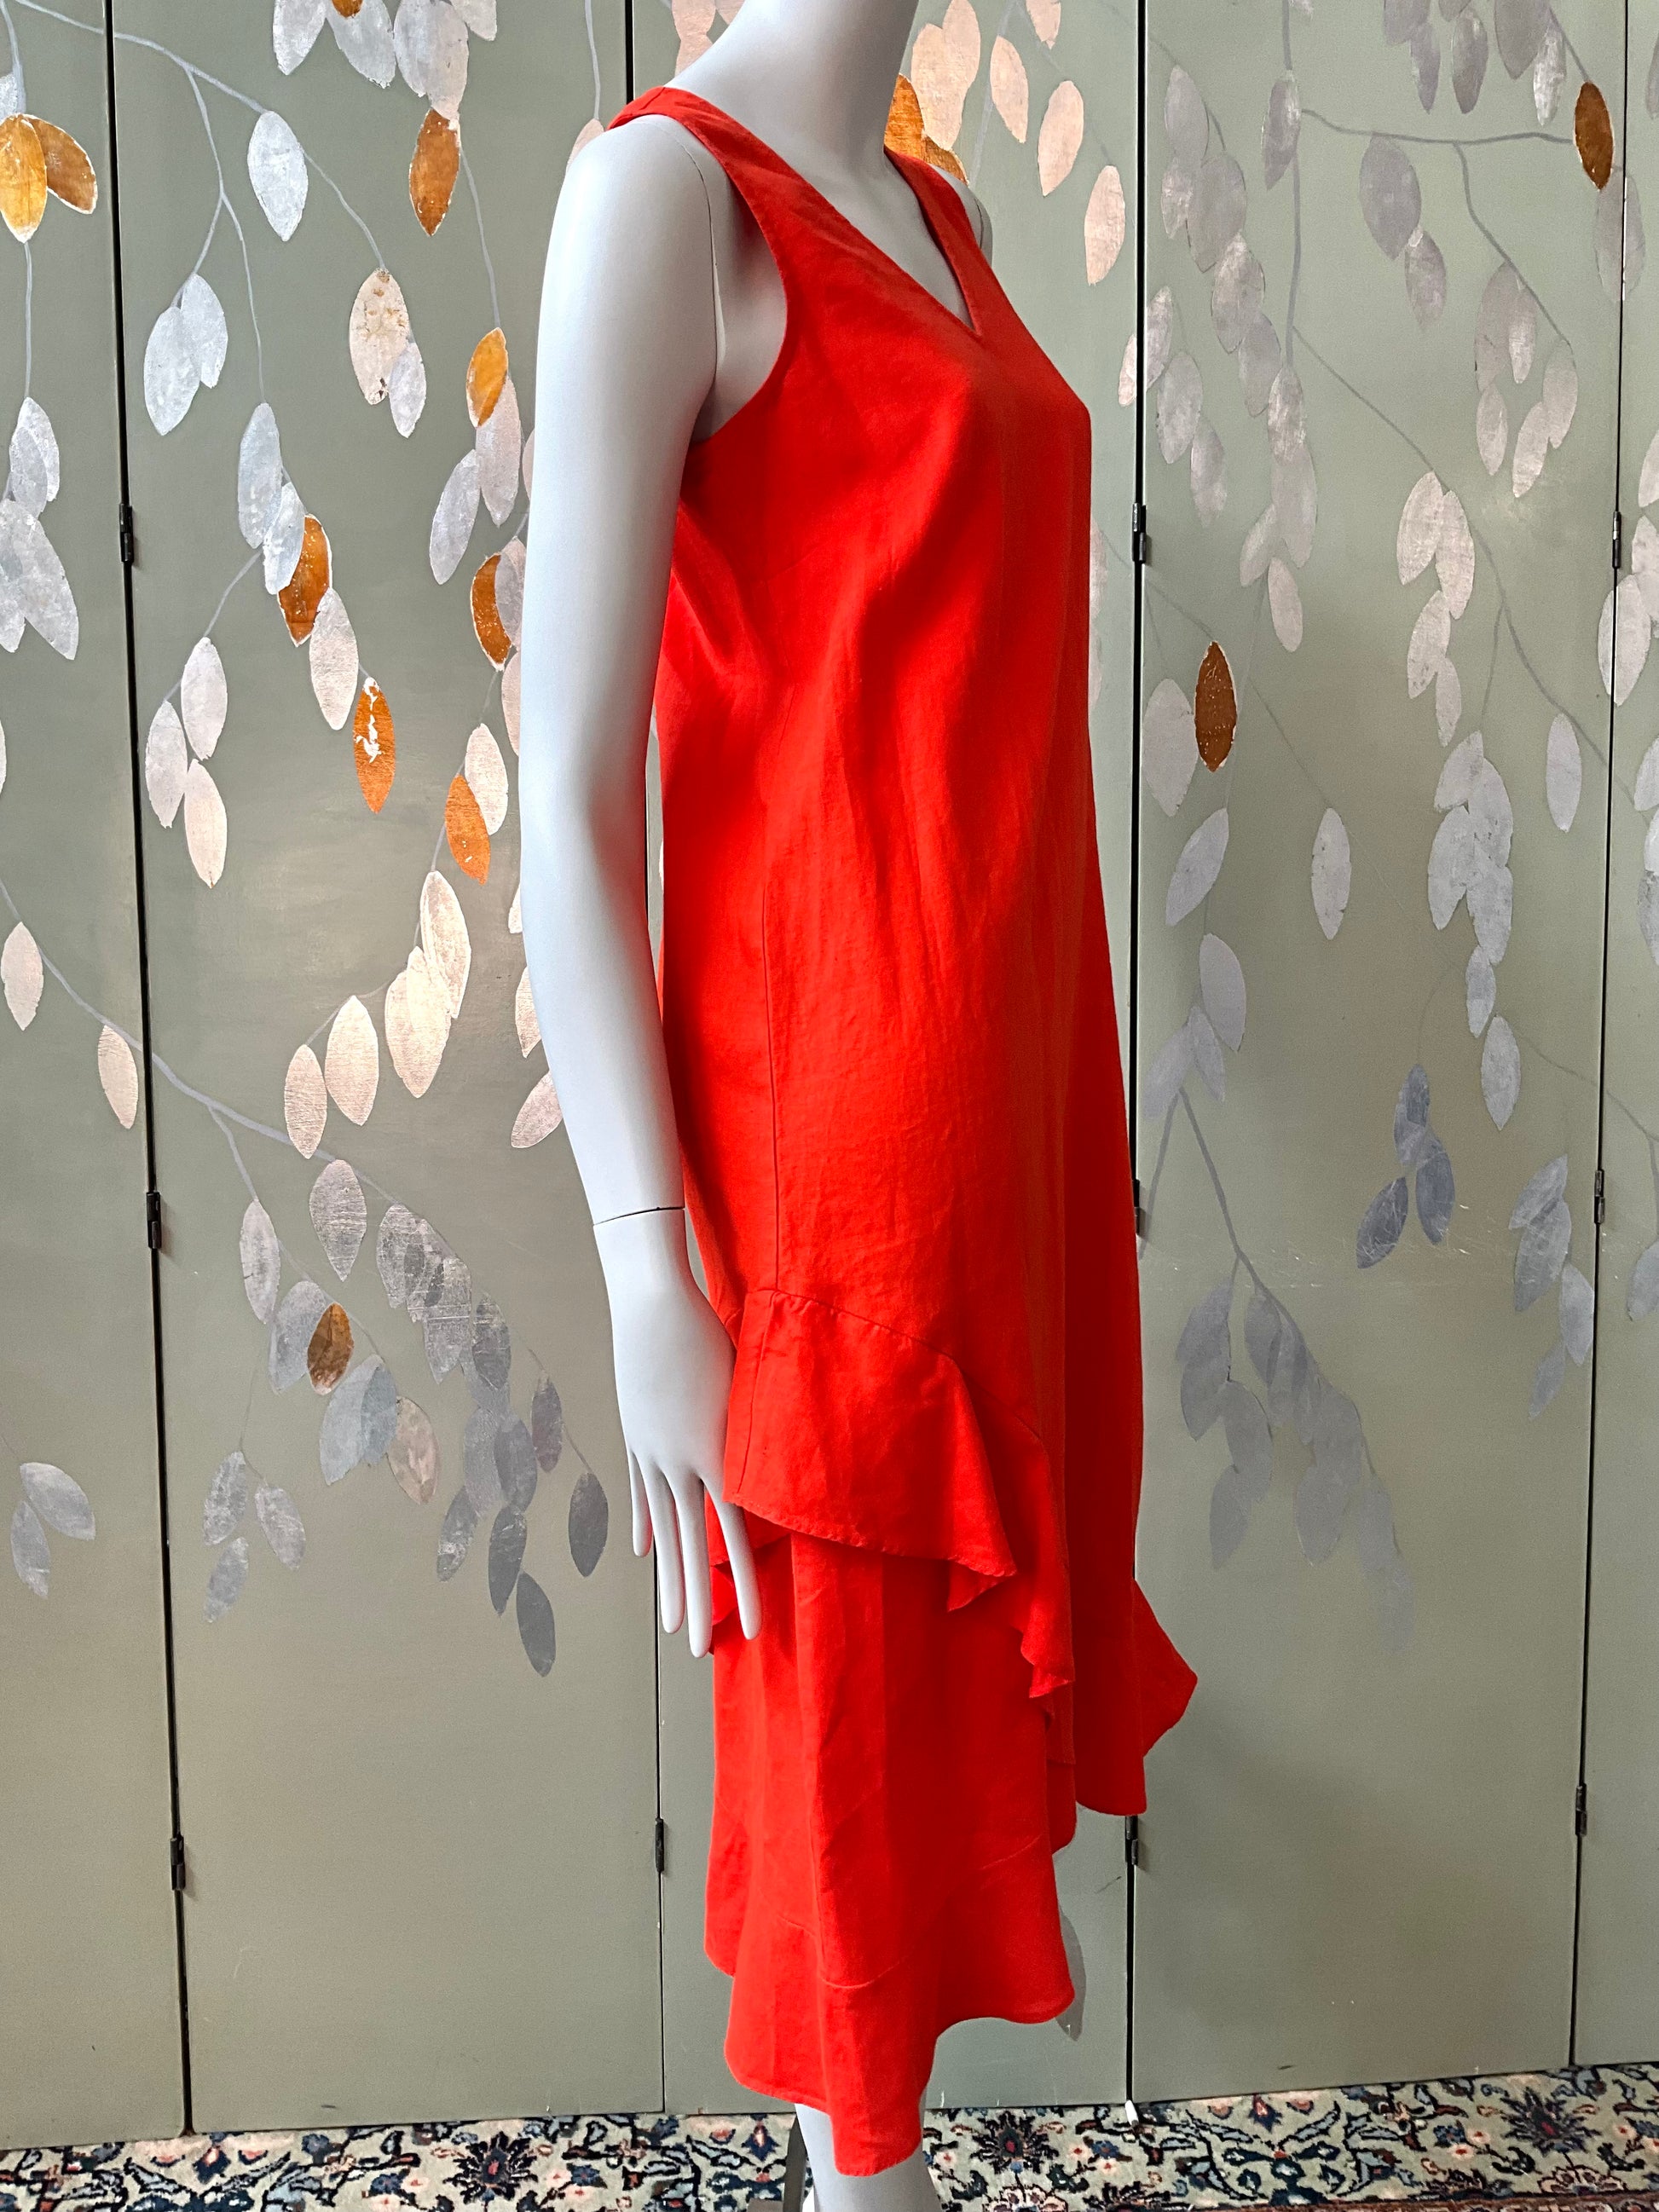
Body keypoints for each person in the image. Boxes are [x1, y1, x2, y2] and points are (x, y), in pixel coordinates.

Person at [516, 0, 1198, 2202]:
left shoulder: (941, 216)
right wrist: (642, 1259)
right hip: (835, 1154)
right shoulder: (664, 195)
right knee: (845, 1806)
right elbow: (562, 795)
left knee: (915, 1783)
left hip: (1003, 1118)